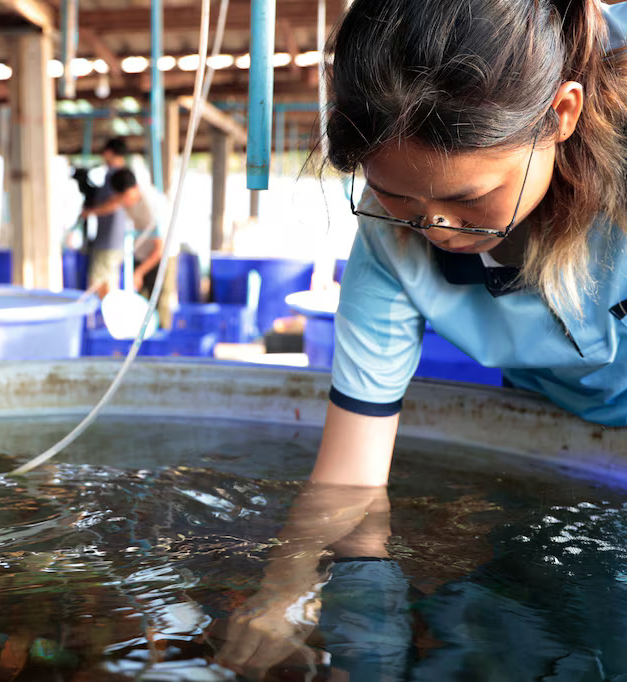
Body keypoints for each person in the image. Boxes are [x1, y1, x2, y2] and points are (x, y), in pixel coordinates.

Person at [219, 0, 627, 676]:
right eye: (399, 200)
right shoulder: (387, 247)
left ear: (562, 115)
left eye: (469, 199)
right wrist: (283, 590)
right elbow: (351, 479)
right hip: (561, 427)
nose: (434, 228)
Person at [80, 137, 162, 298]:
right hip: (142, 253)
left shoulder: (149, 207)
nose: (121, 203)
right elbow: (112, 204)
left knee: (158, 301)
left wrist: (138, 272)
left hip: (159, 255)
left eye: (122, 198)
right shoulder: (125, 190)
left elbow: (160, 250)